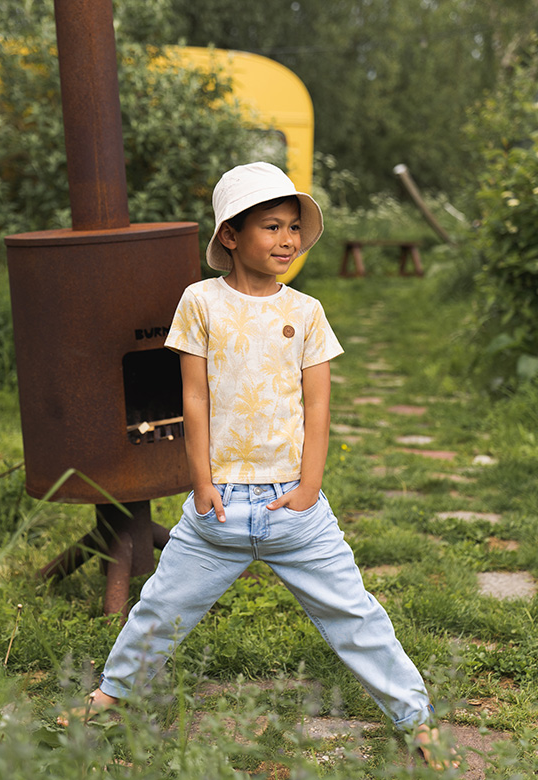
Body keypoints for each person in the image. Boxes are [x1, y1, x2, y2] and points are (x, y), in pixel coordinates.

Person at [68, 162, 457, 769]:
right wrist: (200, 484)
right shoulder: (200, 302)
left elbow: (319, 403)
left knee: (355, 615)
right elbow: (192, 398)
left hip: (294, 509)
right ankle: (110, 696)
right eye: (272, 227)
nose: (288, 240)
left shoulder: (306, 312)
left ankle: (417, 719)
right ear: (230, 234)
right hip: (217, 506)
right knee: (161, 609)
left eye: (295, 229)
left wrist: (310, 487)